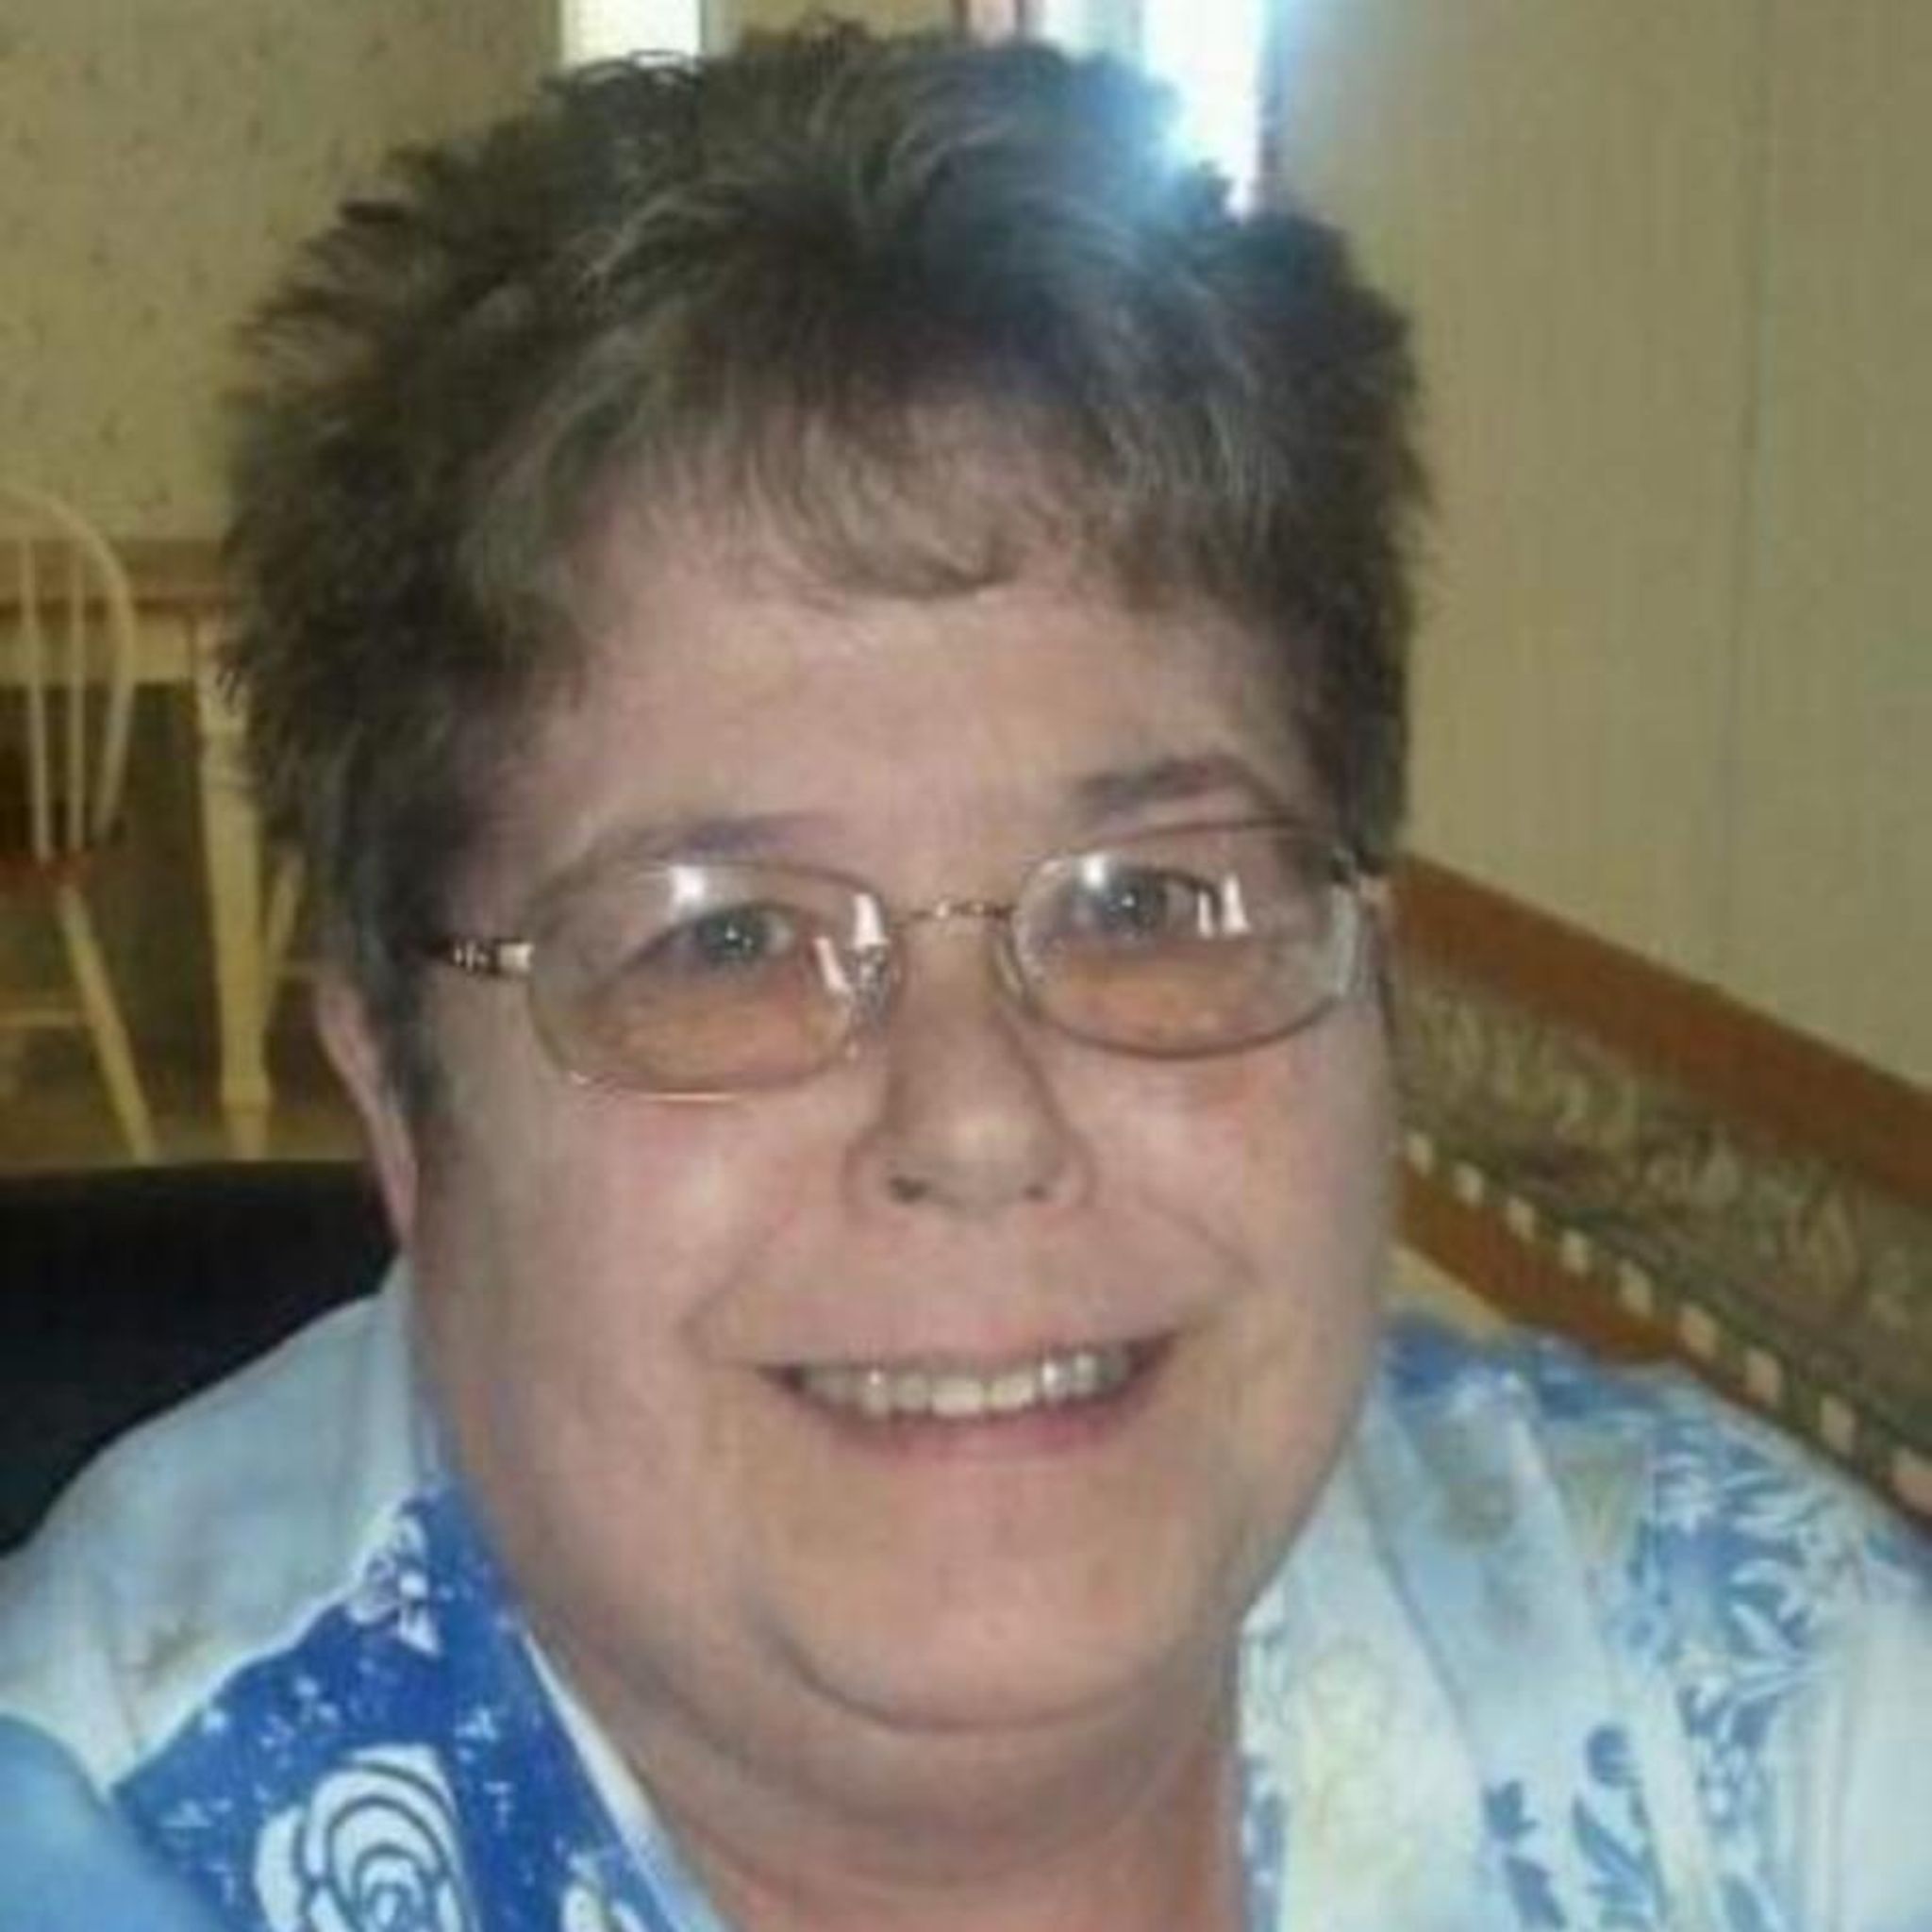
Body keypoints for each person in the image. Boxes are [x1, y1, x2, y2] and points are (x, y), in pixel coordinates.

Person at [0, 24, 1926, 1930]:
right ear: (400, 1092)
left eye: (1145, 903)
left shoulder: (1754, 1682)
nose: (981, 1121)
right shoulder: (98, 1843)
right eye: (725, 939)